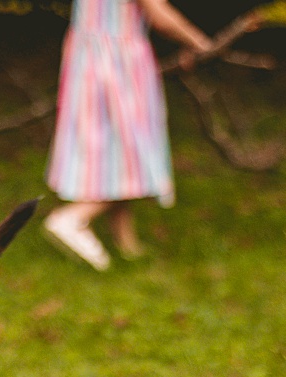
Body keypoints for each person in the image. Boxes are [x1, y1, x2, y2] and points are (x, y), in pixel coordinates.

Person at [43, 0, 213, 271]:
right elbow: (160, 16)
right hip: (119, 65)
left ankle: (127, 245)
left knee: (117, 151)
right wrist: (198, 41)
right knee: (134, 154)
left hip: (87, 60)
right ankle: (73, 217)